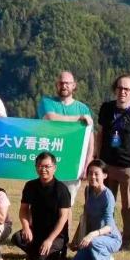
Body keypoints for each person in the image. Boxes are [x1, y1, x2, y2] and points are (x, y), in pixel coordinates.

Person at [93, 74, 130, 248]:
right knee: (106, 202)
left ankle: (127, 239)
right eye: (120, 88)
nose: (122, 92)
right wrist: (97, 157)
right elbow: (100, 134)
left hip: (128, 166)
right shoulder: (107, 108)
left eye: (127, 89)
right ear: (115, 89)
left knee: (128, 205)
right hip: (107, 164)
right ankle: (104, 234)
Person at [36, 70, 93, 205]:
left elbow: (90, 139)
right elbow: (50, 118)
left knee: (67, 203)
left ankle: (65, 227)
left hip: (72, 164)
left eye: (67, 83)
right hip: (48, 163)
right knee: (44, 202)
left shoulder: (83, 108)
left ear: (74, 85)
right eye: (61, 83)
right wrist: (78, 118)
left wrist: (87, 164)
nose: (64, 86)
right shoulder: (47, 102)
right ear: (57, 85)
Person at [12, 152, 72, 260]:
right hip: (37, 231)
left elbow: (63, 218)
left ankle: (48, 253)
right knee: (17, 238)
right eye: (40, 166)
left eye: (47, 166)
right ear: (36, 167)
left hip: (56, 235)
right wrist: (26, 227)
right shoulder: (30, 186)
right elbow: (24, 209)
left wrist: (49, 240)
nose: (43, 169)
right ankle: (38, 252)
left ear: (54, 168)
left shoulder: (61, 189)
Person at [71, 160, 122, 260]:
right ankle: (97, 257)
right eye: (90, 173)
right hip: (93, 237)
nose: (92, 177)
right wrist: (76, 239)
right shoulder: (88, 190)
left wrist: (91, 235)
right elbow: (86, 217)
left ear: (105, 175)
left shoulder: (108, 196)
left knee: (95, 243)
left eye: (96, 174)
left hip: (110, 238)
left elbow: (109, 227)